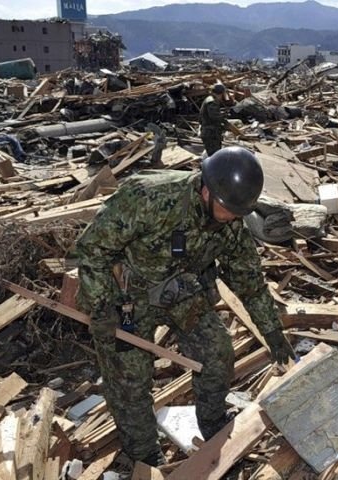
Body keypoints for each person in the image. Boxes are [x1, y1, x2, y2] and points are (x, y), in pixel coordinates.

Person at [75, 147, 295, 467]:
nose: (233, 218)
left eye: (238, 212)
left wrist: (272, 331)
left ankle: (212, 422)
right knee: (131, 378)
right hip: (125, 297)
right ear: (207, 189)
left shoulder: (230, 219)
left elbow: (248, 278)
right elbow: (92, 249)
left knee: (217, 350)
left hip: (178, 291)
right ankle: (144, 455)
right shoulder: (150, 198)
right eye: (228, 209)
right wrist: (100, 307)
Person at [200, 83, 229, 156]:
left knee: (213, 154)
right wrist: (224, 118)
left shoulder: (209, 99)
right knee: (215, 155)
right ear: (220, 93)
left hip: (209, 131)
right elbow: (214, 117)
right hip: (211, 133)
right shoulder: (212, 102)